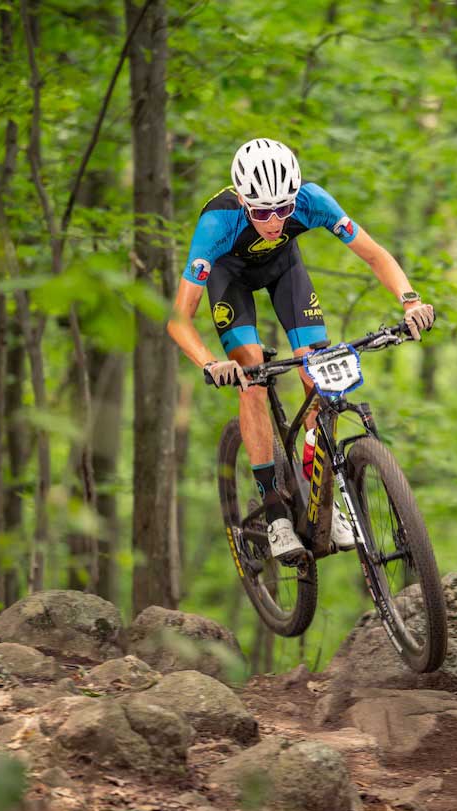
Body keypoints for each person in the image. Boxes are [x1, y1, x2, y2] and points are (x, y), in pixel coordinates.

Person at [166, 138, 434, 561]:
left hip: (285, 272)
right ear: (241, 199)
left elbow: (374, 254)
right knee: (251, 374)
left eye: (284, 209)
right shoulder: (217, 224)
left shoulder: (313, 200)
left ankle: (319, 492)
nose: (274, 222)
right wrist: (211, 362)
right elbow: (178, 318)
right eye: (260, 212)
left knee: (319, 371)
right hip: (229, 279)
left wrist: (411, 300)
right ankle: (274, 513)